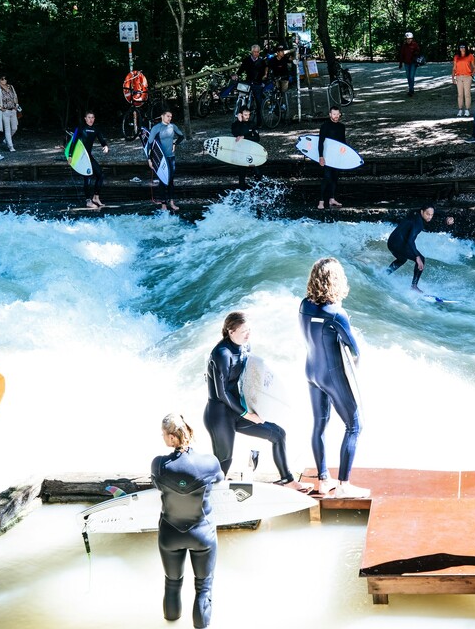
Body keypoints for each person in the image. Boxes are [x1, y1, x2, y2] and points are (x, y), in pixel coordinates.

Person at [204, 312, 308, 490]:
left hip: (237, 410)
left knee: (278, 434)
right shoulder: (222, 353)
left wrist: (258, 404)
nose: (248, 334)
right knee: (225, 460)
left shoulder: (245, 347)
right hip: (219, 415)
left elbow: (249, 378)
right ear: (230, 331)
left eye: (249, 330)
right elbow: (222, 393)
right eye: (244, 331)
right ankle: (209, 493)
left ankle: (288, 480)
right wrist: (248, 414)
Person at [298, 257, 369, 499]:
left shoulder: (303, 306)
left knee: (320, 425)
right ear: (335, 281)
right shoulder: (337, 314)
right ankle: (344, 484)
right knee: (354, 426)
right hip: (332, 375)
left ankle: (323, 480)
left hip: (311, 372)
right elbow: (355, 350)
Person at [152, 414, 224, 628]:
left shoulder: (158, 464)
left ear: (172, 437)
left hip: (170, 535)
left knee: (172, 584)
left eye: (163, 434)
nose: (162, 437)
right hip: (202, 534)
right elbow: (220, 479)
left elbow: (158, 484)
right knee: (203, 587)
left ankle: (170, 624)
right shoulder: (209, 462)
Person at [385, 205, 455, 293]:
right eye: (427, 214)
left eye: (431, 215)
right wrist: (417, 256)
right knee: (421, 259)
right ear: (422, 212)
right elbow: (410, 241)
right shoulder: (418, 223)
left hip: (391, 241)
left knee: (402, 259)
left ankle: (385, 273)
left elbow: (433, 211)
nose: (430, 217)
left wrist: (446, 217)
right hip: (399, 244)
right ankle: (414, 286)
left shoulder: (414, 213)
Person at [148, 110, 185, 212]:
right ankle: (163, 204)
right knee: (163, 181)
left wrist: (175, 144)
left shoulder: (172, 126)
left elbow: (181, 137)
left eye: (171, 117)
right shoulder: (156, 128)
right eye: (168, 116)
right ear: (162, 116)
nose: (170, 118)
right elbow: (150, 144)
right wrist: (149, 159)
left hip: (171, 157)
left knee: (171, 181)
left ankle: (172, 202)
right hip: (160, 159)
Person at [76, 111, 110, 209]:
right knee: (88, 177)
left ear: (94, 119)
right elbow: (73, 142)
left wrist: (105, 146)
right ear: (85, 118)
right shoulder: (81, 128)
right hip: (81, 157)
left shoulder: (95, 129)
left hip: (89, 157)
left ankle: (96, 197)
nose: (91, 119)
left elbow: (102, 140)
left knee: (100, 175)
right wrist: (70, 156)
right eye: (89, 117)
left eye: (92, 117)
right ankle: (88, 201)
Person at [317, 106, 345, 210]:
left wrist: (344, 155)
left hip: (337, 156)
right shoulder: (325, 126)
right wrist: (321, 156)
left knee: (335, 177)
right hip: (327, 156)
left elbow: (343, 143)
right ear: (330, 115)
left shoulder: (342, 127)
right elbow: (320, 142)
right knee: (327, 177)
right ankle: (321, 200)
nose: (336, 116)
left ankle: (332, 199)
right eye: (334, 114)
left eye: (337, 114)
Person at [235, 45, 267, 126]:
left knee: (258, 102)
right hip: (248, 82)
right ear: (251, 52)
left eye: (257, 52)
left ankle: (259, 122)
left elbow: (264, 72)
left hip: (257, 83)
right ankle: (242, 119)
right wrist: (237, 75)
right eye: (254, 52)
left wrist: (264, 78)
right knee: (243, 100)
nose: (256, 53)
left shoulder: (261, 61)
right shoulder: (247, 60)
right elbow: (241, 69)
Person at [230, 107, 262, 187]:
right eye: (245, 115)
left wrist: (244, 137)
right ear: (240, 115)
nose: (247, 116)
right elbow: (235, 133)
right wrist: (239, 121)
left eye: (248, 115)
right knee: (242, 175)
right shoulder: (235, 125)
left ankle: (258, 189)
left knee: (257, 173)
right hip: (240, 152)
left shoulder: (252, 124)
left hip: (250, 151)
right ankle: (242, 192)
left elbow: (257, 138)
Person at [0, 75, 20, 152]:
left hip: (13, 110)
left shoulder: (11, 87)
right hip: (5, 112)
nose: (4, 80)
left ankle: (6, 140)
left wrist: (16, 106)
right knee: (7, 129)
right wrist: (1, 108)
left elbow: (15, 97)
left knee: (14, 128)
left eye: (5, 78)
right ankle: (10, 146)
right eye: (2, 79)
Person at [451, 44, 475, 117]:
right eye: (460, 47)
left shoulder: (470, 56)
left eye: (463, 47)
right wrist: (453, 78)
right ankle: (460, 109)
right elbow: (454, 68)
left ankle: (467, 109)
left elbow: (474, 67)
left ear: (466, 48)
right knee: (460, 94)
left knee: (467, 94)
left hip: (467, 76)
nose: (462, 48)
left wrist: (472, 75)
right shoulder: (456, 57)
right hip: (459, 76)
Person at [397, 32, 421, 97]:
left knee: (411, 76)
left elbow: (419, 52)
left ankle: (411, 90)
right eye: (407, 39)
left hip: (413, 63)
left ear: (412, 39)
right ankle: (410, 88)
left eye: (410, 39)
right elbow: (402, 55)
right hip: (406, 63)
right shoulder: (404, 46)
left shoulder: (415, 45)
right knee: (408, 76)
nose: (409, 40)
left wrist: (416, 54)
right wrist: (400, 63)